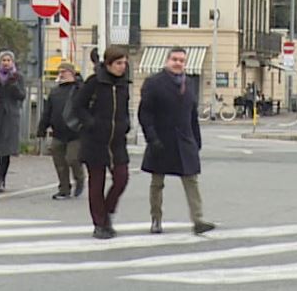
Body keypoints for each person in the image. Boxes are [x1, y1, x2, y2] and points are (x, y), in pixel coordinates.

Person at [138, 48, 214, 236]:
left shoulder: (188, 83)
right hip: (161, 140)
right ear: (167, 60)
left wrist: (196, 141)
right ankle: (156, 219)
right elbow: (145, 113)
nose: (178, 63)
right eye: (175, 59)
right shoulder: (153, 83)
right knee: (157, 183)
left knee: (191, 180)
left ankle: (198, 220)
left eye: (181, 60)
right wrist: (152, 138)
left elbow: (192, 114)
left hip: (185, 140)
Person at [69, 45, 132, 239]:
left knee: (121, 178)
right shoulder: (94, 82)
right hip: (95, 140)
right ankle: (100, 223)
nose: (122, 67)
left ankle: (108, 211)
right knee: (97, 183)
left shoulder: (123, 84)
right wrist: (91, 123)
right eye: (118, 63)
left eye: (124, 63)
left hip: (117, 141)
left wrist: (126, 124)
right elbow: (78, 106)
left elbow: (124, 108)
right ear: (109, 63)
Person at [38, 62, 85, 200]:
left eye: (64, 71)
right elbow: (47, 111)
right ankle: (64, 188)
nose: (61, 74)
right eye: (60, 71)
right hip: (58, 132)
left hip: (75, 132)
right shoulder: (55, 92)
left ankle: (79, 179)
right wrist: (42, 128)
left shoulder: (79, 90)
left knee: (73, 158)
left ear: (72, 73)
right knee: (59, 162)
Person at [0, 50, 27, 193]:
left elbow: (22, 95)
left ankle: (1, 178)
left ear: (13, 62)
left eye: (9, 60)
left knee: (6, 150)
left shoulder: (17, 76)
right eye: (4, 60)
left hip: (10, 115)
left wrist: (13, 84)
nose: (6, 62)